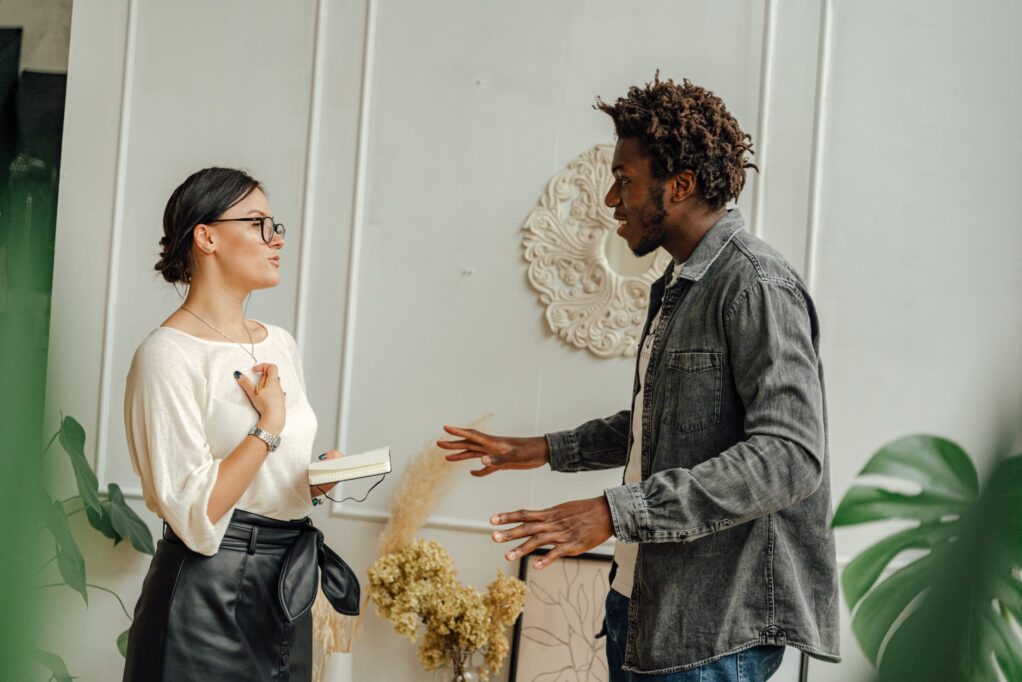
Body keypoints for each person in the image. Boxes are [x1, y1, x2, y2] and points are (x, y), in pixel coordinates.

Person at [439, 76, 839, 681]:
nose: (610, 199)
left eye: (624, 180)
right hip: (642, 606)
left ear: (679, 186)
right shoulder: (678, 287)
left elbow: (788, 457)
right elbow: (671, 420)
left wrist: (615, 510)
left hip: (713, 634)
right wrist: (544, 449)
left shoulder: (755, 285)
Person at [121, 167, 358, 681]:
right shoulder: (166, 355)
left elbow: (263, 482)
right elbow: (196, 513)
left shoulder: (279, 342)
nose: (277, 241)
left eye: (277, 226)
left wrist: (316, 480)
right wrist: (268, 426)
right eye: (257, 224)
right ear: (206, 237)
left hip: (283, 588)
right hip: (204, 597)